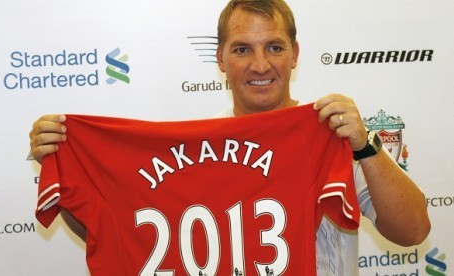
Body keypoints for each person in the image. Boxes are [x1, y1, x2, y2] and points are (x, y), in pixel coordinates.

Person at [29, 0, 430, 274]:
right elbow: (123, 233)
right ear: (220, 59)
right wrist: (65, 166)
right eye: (242, 49)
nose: (260, 64)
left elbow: (413, 231)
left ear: (295, 53)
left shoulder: (332, 135)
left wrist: (365, 146)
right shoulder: (195, 150)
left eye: (274, 47)